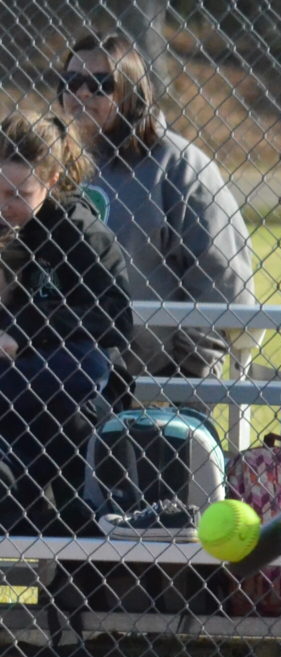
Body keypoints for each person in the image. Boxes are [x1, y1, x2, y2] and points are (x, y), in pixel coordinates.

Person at [57, 33, 255, 379]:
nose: (83, 92)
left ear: (130, 92)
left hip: (155, 377)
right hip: (57, 372)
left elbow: (220, 279)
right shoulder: (50, 165)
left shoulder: (178, 165)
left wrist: (184, 376)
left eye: (101, 83)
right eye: (72, 81)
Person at [0, 112, 132, 534]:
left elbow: (115, 317)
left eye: (19, 193)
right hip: (18, 381)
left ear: (53, 180)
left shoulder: (78, 231)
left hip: (70, 380)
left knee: (80, 370)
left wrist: (23, 331)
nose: (6, 205)